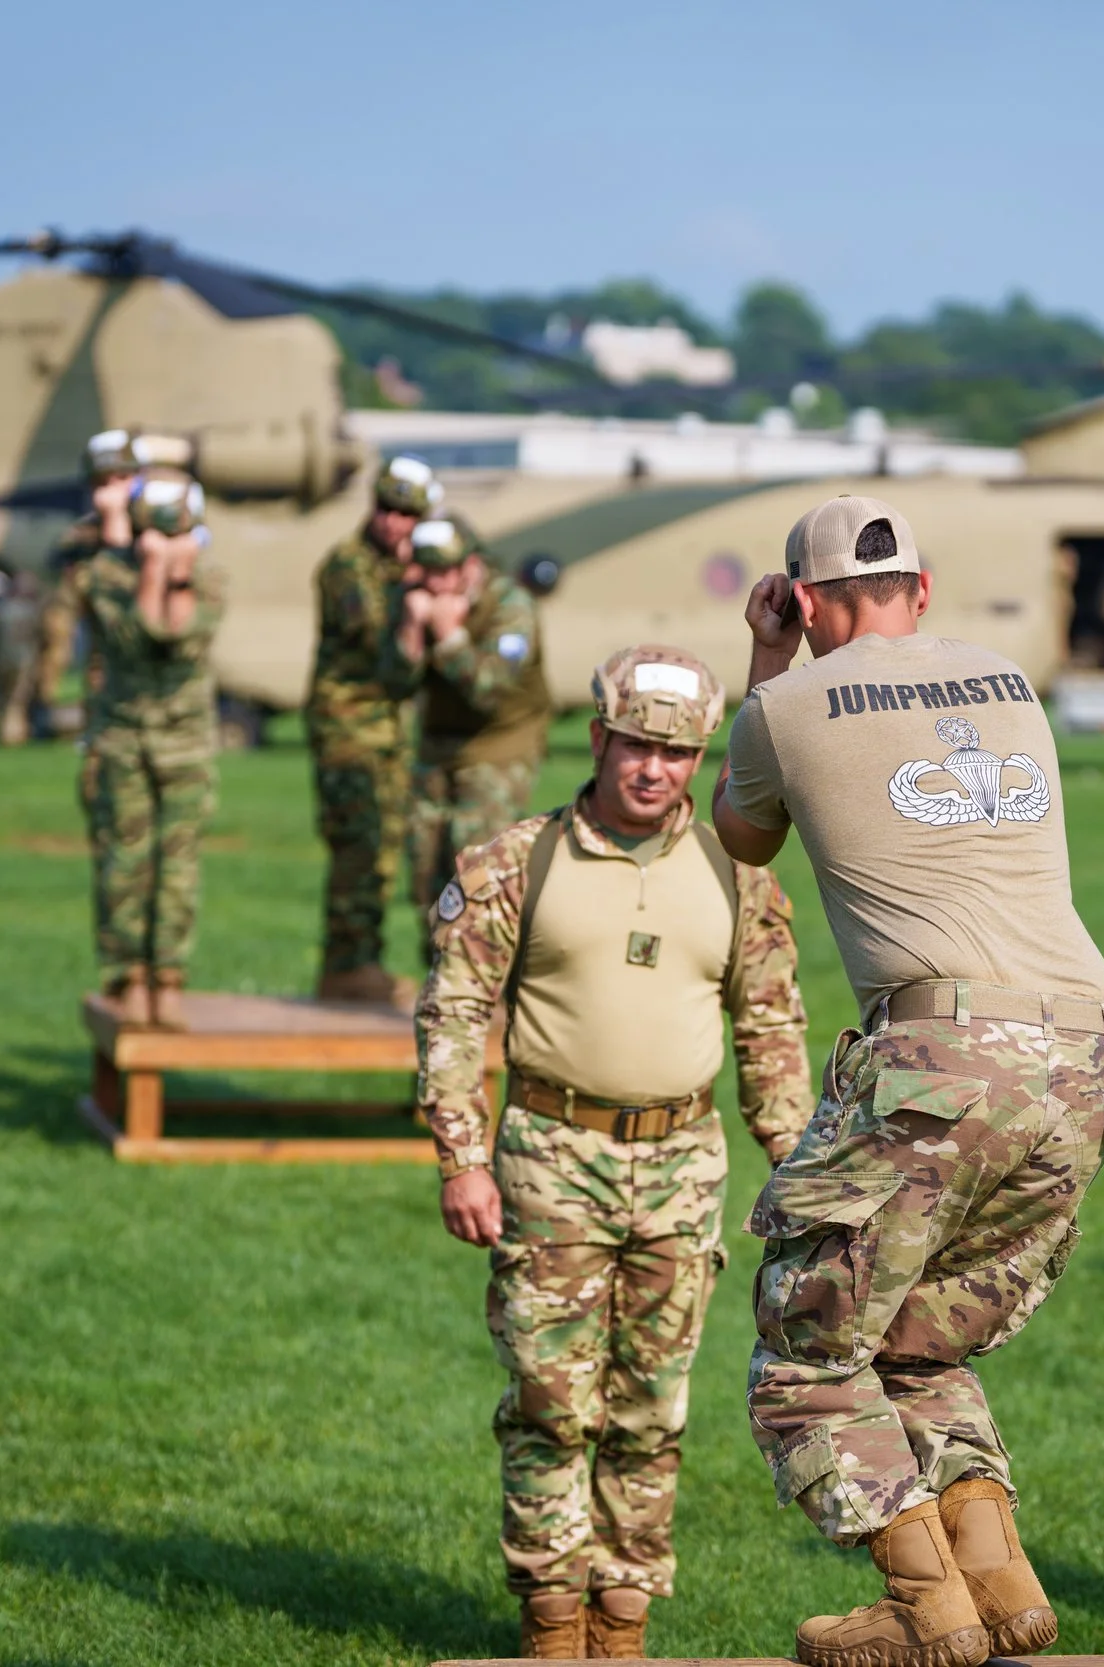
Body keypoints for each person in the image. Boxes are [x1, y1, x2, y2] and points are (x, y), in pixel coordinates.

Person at [713, 494, 1104, 1667]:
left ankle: (921, 1605)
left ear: (800, 598)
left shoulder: (782, 708)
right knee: (912, 1341)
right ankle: (998, 1582)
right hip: (1086, 1061)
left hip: (939, 1061)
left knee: (804, 1344)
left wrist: (764, 660)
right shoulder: (1006, 678)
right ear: (922, 590)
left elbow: (741, 840)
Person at [420, 644, 812, 1660]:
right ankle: (551, 1613)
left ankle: (624, 1616)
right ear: (597, 739)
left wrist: (792, 1156)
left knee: (652, 1406)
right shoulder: (518, 860)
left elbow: (769, 1026)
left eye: (676, 753)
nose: (653, 769)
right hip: (551, 1156)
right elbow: (457, 1012)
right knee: (551, 1402)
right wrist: (461, 1153)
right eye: (635, 744)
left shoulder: (737, 872)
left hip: (683, 1165)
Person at [76, 469, 225, 1029]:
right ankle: (126, 974)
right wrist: (154, 573)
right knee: (124, 860)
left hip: (184, 740)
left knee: (179, 864)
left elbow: (181, 640)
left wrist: (178, 576)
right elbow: (138, 635)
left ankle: (168, 974)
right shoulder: (104, 576)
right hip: (124, 737)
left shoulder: (212, 577)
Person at [394, 512, 548, 969]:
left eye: (445, 570)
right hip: (437, 747)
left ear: (471, 565)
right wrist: (408, 631)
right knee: (426, 871)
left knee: (477, 870)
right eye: (425, 570)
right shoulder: (412, 600)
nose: (435, 582)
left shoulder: (509, 606)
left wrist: (448, 636)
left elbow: (489, 689)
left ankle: (487, 980)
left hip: (498, 747)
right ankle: (441, 977)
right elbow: (394, 684)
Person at [307, 457, 434, 1005]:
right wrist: (414, 587)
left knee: (381, 846)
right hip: (349, 728)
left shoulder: (397, 568)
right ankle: (347, 966)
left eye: (407, 514)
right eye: (386, 508)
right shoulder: (348, 566)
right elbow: (374, 634)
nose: (394, 522)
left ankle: (362, 963)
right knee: (359, 846)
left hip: (383, 729)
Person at [35, 430, 150, 733]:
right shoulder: (82, 540)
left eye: (121, 478)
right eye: (100, 482)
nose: (109, 491)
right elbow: (60, 616)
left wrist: (119, 535)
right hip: (106, 675)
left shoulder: (160, 533)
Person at [0, 571, 44, 746]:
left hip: (1, 659)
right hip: (24, 660)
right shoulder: (33, 612)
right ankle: (11, 736)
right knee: (16, 702)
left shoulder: (2, 610)